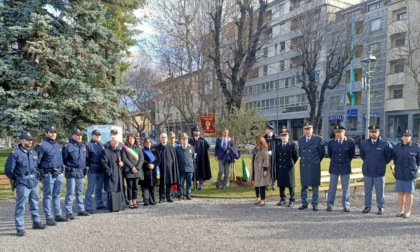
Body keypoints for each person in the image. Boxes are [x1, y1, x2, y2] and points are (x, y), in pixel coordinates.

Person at [5, 132, 46, 236]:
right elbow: (9, 170)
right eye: (27, 140)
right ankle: (20, 227)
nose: (30, 142)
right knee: (21, 206)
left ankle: (36, 222)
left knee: (35, 203)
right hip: (22, 183)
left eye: (31, 140)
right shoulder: (15, 154)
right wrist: (17, 179)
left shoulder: (34, 153)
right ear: (21, 141)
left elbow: (37, 167)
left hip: (33, 183)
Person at [35, 126, 68, 225]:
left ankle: (58, 215)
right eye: (51, 132)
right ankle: (49, 217)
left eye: (54, 132)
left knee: (57, 195)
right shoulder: (42, 145)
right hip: (48, 173)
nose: (53, 134)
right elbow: (37, 161)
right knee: (48, 196)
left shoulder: (58, 145)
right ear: (46, 133)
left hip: (59, 173)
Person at [360, 125, 393, 215]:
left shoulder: (385, 143)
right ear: (369, 133)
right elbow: (363, 156)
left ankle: (380, 207)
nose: (373, 133)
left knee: (380, 191)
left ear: (378, 132)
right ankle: (367, 206)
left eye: (375, 132)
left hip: (379, 171)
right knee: (367, 190)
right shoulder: (364, 143)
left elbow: (388, 157)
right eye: (372, 132)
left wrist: (381, 164)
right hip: (367, 171)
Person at [326, 126, 355, 212]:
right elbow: (330, 155)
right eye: (337, 132)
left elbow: (351, 155)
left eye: (340, 132)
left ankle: (346, 205)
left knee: (345, 187)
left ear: (344, 132)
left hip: (345, 166)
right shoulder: (331, 142)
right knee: (332, 187)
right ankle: (330, 204)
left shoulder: (350, 142)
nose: (338, 134)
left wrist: (346, 162)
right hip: (334, 167)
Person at [297, 122, 325, 211]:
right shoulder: (300, 140)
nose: (307, 131)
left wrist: (316, 161)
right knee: (304, 186)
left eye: (309, 129)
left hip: (314, 165)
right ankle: (304, 203)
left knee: (315, 186)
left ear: (312, 130)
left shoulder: (318, 139)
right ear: (303, 130)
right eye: (305, 129)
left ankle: (315, 203)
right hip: (304, 165)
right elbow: (300, 152)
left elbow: (322, 153)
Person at [63, 129, 90, 219]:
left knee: (79, 192)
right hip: (71, 172)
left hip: (81, 172)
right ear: (73, 136)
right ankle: (69, 212)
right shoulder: (68, 146)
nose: (79, 137)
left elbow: (86, 159)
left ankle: (81, 210)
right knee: (70, 193)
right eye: (77, 135)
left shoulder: (83, 147)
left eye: (80, 135)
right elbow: (63, 159)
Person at [393, 130, 420, 218]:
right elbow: (395, 160)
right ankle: (401, 211)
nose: (406, 137)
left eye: (408, 136)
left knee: (409, 193)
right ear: (402, 137)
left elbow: (418, 161)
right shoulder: (396, 147)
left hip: (410, 174)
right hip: (400, 173)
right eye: (405, 136)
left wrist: (415, 170)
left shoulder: (416, 147)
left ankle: (408, 212)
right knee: (400, 193)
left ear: (410, 137)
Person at [274, 128, 299, 207]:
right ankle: (282, 199)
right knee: (281, 184)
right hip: (280, 167)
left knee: (290, 185)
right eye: (282, 136)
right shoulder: (278, 146)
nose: (284, 137)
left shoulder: (292, 145)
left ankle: (292, 199)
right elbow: (276, 157)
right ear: (280, 137)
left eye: (285, 136)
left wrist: (291, 163)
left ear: (288, 136)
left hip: (289, 167)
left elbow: (296, 156)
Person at [101, 136, 125, 212]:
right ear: (110, 142)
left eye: (117, 142)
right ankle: (113, 207)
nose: (115, 143)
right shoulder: (106, 151)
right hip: (111, 175)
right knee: (112, 191)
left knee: (118, 190)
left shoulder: (119, 151)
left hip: (118, 174)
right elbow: (103, 163)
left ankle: (119, 206)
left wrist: (122, 164)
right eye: (114, 141)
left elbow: (122, 161)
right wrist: (109, 172)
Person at [85, 129, 106, 213]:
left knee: (99, 188)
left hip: (100, 169)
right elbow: (86, 158)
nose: (97, 136)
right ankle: (88, 207)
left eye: (99, 135)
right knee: (90, 189)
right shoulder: (88, 145)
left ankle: (99, 204)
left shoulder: (102, 145)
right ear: (92, 135)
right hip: (92, 169)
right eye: (96, 135)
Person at [155, 133, 180, 203]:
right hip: (160, 168)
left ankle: (169, 196)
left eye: (165, 137)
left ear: (167, 138)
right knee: (161, 183)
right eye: (162, 137)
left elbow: (174, 159)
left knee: (169, 182)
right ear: (160, 139)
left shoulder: (171, 148)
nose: (163, 139)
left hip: (169, 168)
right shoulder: (157, 148)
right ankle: (161, 197)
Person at [121, 133, 144, 209]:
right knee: (130, 187)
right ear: (128, 139)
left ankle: (135, 201)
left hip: (137, 171)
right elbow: (124, 159)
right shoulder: (125, 148)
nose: (131, 140)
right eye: (130, 138)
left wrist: (137, 168)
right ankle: (130, 201)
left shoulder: (138, 148)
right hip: (129, 171)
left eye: (133, 138)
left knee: (135, 187)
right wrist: (132, 167)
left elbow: (141, 159)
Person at [250, 136, 270, 206]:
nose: (255, 142)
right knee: (256, 185)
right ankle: (257, 197)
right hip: (255, 169)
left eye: (256, 141)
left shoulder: (264, 149)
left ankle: (263, 199)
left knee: (262, 185)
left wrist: (265, 170)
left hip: (261, 169)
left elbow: (266, 160)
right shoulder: (255, 149)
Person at [141, 138, 160, 206]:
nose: (148, 143)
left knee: (153, 186)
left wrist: (154, 164)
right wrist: (148, 164)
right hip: (146, 171)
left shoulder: (155, 150)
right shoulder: (142, 151)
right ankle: (146, 200)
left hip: (154, 171)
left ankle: (153, 200)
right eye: (146, 142)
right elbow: (141, 160)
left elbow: (158, 159)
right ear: (144, 143)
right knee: (145, 187)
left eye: (149, 142)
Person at [176, 133, 195, 200]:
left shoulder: (191, 148)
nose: (184, 140)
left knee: (189, 183)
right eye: (183, 139)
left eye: (185, 139)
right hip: (181, 168)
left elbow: (192, 157)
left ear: (187, 139)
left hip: (189, 168)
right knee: (181, 183)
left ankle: (188, 194)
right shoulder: (177, 148)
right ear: (180, 140)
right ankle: (181, 195)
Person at [263, 123, 278, 191]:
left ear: (270, 130)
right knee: (266, 169)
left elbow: (277, 147)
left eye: (266, 129)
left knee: (273, 170)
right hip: (266, 157)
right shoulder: (264, 138)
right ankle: (266, 184)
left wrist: (272, 152)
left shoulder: (275, 138)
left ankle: (273, 183)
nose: (265, 130)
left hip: (273, 157)